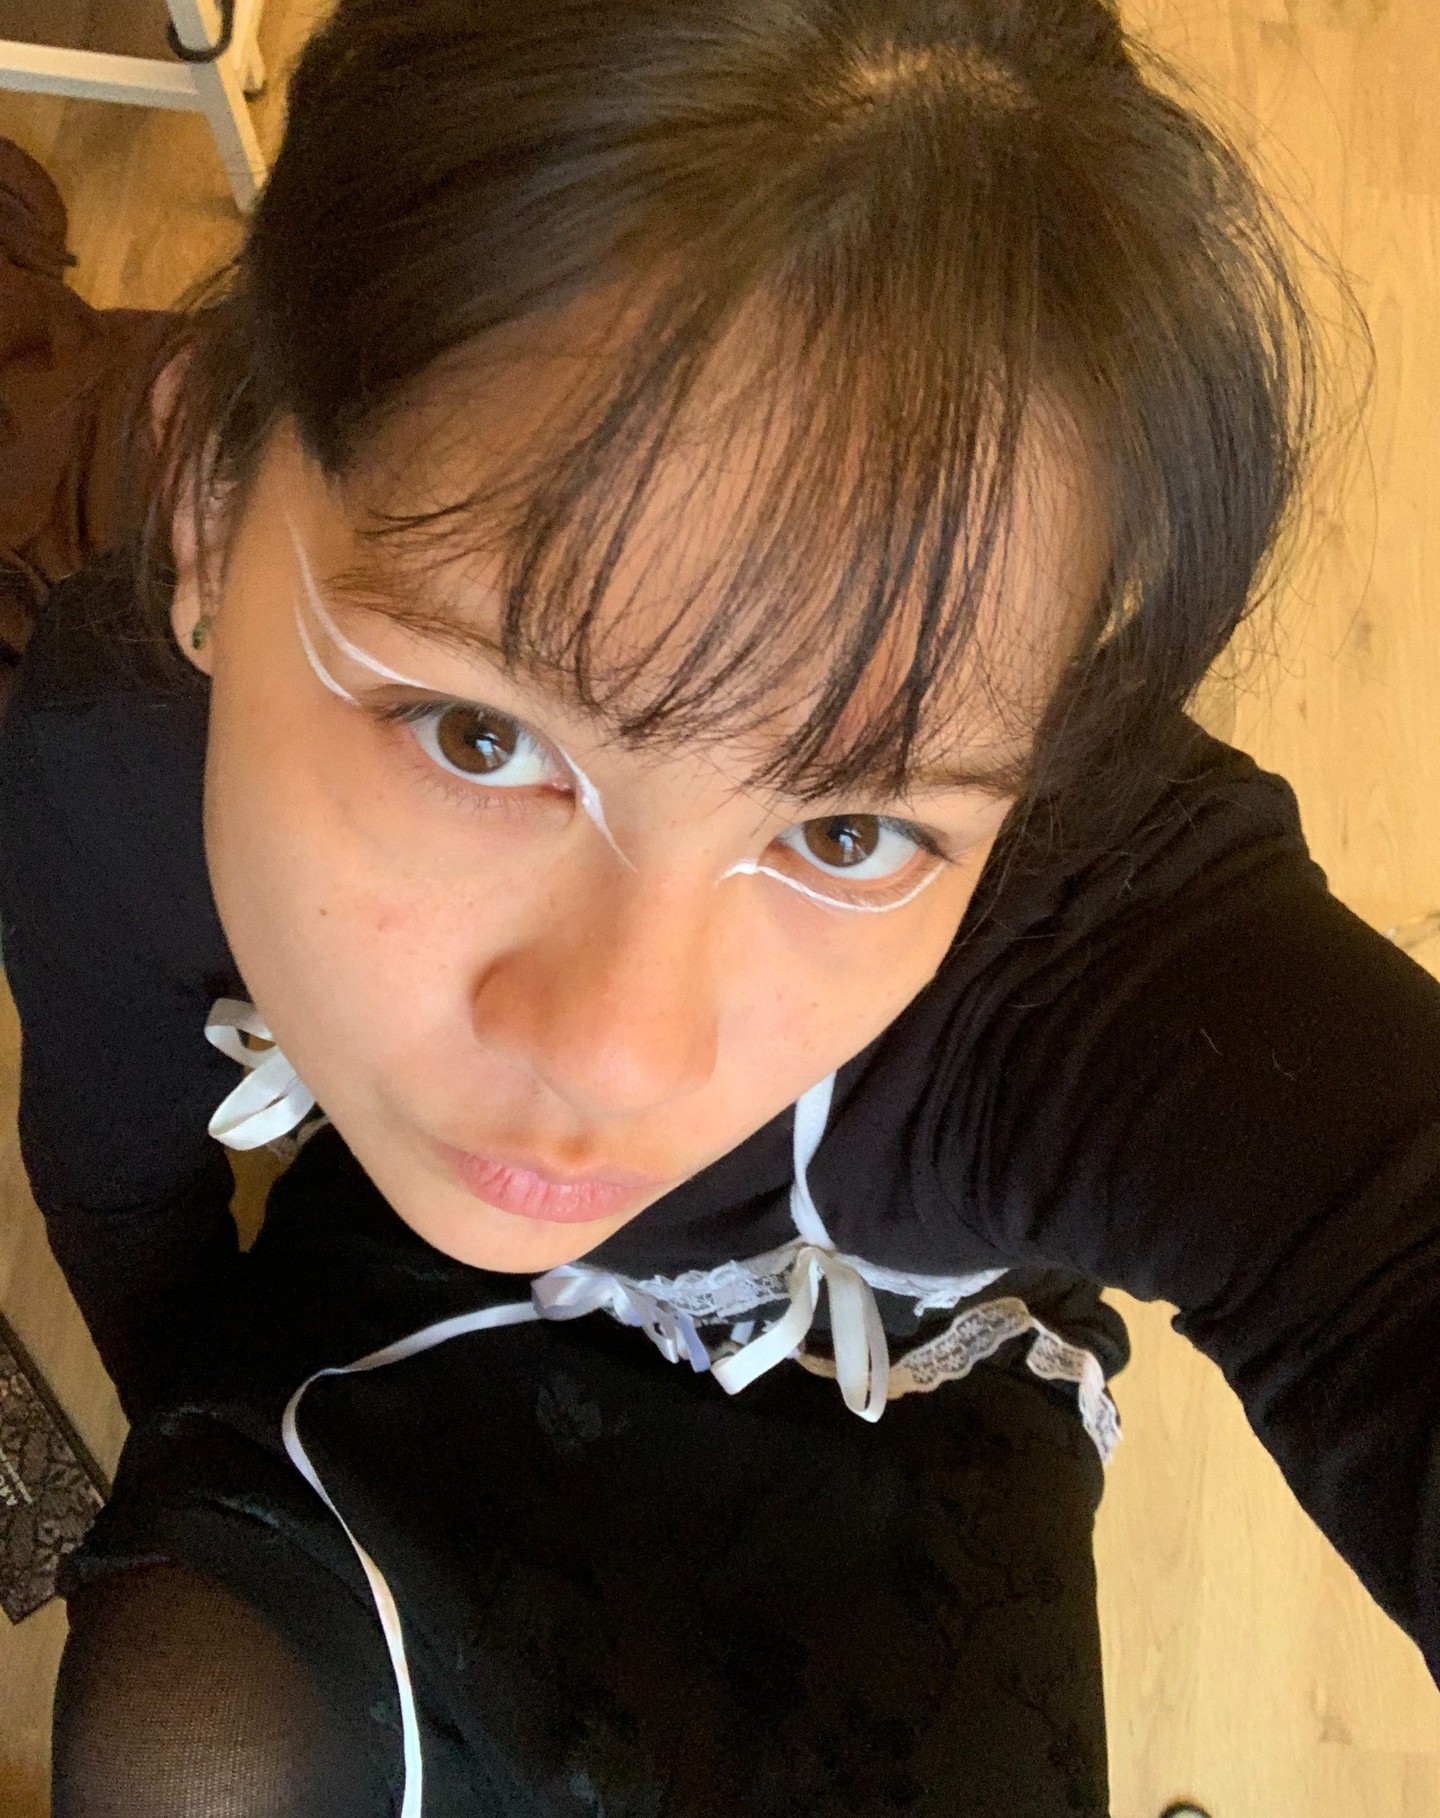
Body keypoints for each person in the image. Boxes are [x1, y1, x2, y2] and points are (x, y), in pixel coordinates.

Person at [0, 1, 1432, 1813]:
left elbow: (1376, 1231)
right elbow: (127, 1183)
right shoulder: (112, 750)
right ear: (210, 510)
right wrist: (198, 1456)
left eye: (852, 829)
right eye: (480, 733)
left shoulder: (1088, 937)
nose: (619, 1057)